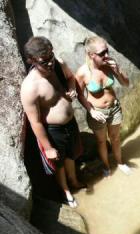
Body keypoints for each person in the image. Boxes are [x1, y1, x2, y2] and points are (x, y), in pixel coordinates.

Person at [20, 36, 85, 208]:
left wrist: (71, 90)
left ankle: (74, 181)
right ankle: (66, 192)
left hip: (70, 123)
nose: (50, 63)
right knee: (59, 163)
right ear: (31, 60)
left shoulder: (57, 63)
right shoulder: (30, 87)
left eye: (51, 57)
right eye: (44, 61)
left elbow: (71, 78)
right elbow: (35, 122)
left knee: (71, 155)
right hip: (52, 130)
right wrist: (48, 147)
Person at [75, 36, 130, 177]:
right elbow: (79, 95)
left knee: (116, 138)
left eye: (107, 51)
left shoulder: (109, 65)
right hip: (97, 112)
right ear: (91, 55)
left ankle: (120, 163)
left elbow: (126, 83)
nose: (106, 55)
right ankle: (106, 167)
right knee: (101, 141)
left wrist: (117, 70)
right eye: (102, 53)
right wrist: (91, 111)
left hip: (114, 108)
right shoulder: (83, 72)